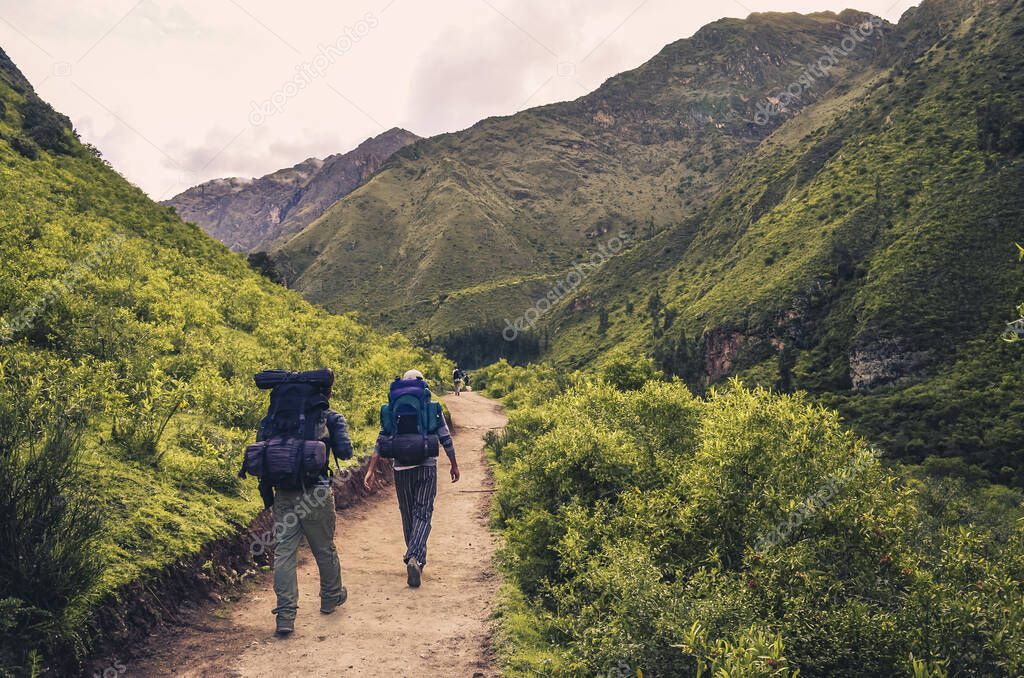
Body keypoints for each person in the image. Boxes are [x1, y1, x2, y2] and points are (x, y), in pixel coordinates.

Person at [253, 374, 354, 637]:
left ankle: (285, 616)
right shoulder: (330, 417)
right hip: (317, 493)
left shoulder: (273, 419)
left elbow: (262, 450)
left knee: (284, 554)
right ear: (323, 393)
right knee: (324, 548)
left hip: (284, 494)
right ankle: (331, 597)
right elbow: (345, 453)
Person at [363, 369, 459, 587]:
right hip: (426, 466)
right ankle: (415, 557)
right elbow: (445, 437)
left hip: (401, 468)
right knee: (423, 513)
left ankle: (414, 557)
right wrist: (453, 464)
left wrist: (370, 469)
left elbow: (381, 439)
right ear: (421, 382)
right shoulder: (430, 405)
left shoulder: (393, 406)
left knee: (407, 514)